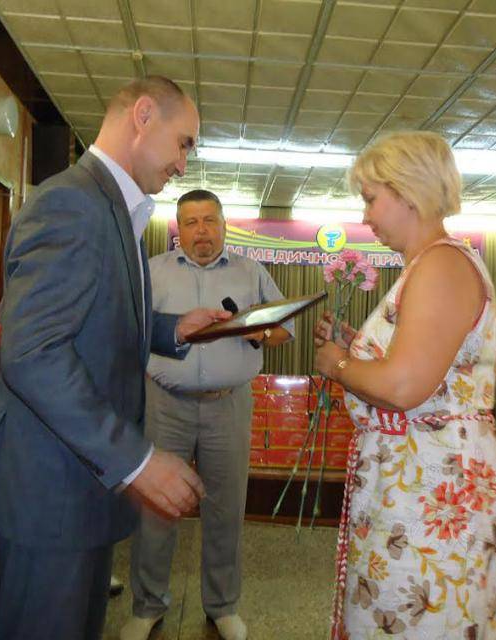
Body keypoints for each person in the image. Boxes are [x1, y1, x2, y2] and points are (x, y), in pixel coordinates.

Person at [0, 77, 231, 640]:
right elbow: (33, 352)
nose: (184, 164)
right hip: (52, 488)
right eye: (183, 143)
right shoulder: (71, 202)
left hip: (80, 479)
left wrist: (172, 329)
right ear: (143, 116)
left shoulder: (112, 207)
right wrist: (138, 460)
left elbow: (97, 321)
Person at [314, 131, 496, 639]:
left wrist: (339, 364)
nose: (365, 215)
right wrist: (359, 348)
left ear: (407, 192)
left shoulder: (442, 265)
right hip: (419, 479)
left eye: (370, 199)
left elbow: (405, 385)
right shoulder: (429, 265)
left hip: (433, 488)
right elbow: (425, 368)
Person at [121, 190, 294, 640]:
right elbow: (131, 329)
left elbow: (284, 329)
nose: (202, 231)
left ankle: (222, 605)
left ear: (224, 225)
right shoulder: (152, 270)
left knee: (226, 509)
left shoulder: (251, 271)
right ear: (178, 228)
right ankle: (147, 606)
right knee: (156, 506)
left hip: (229, 404)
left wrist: (259, 332)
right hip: (164, 403)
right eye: (192, 222)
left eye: (210, 221)